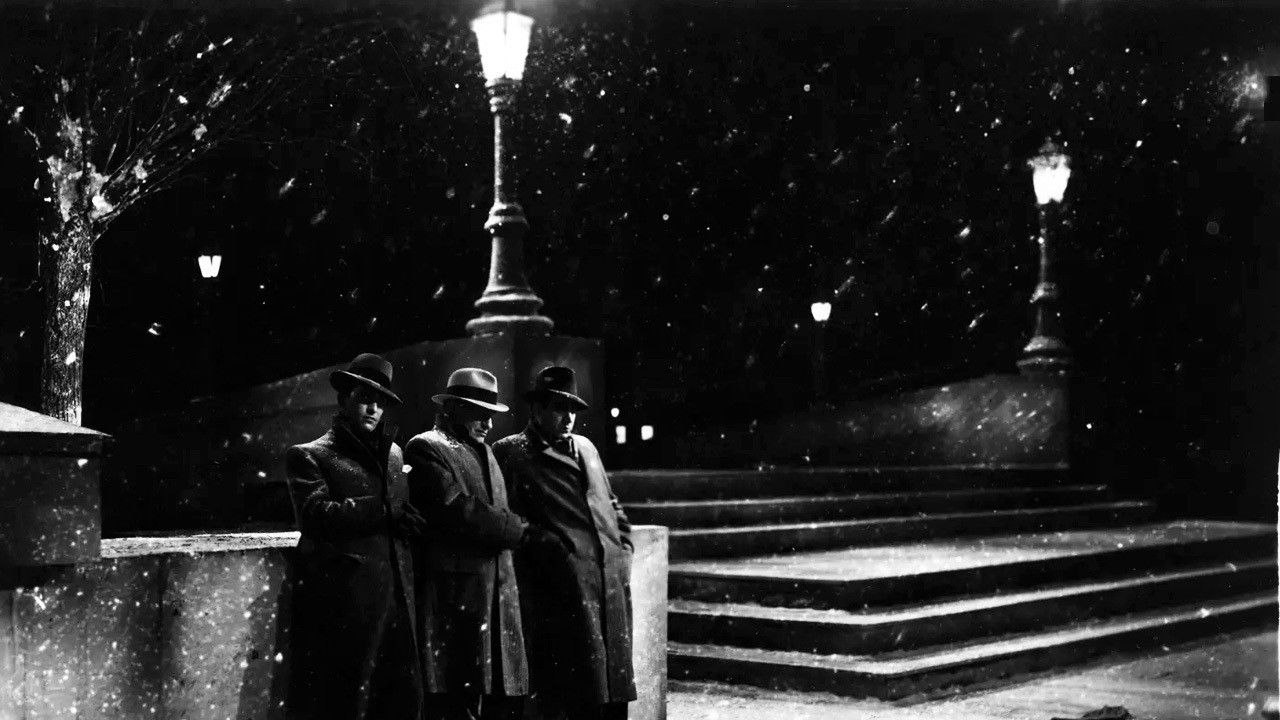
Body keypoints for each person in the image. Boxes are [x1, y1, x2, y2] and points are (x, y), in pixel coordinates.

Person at [284, 353, 426, 720]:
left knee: (402, 703)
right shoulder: (310, 456)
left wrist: (404, 522)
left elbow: (395, 517)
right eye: (365, 398)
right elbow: (315, 515)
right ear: (343, 398)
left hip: (398, 605)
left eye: (381, 402)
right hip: (347, 610)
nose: (374, 409)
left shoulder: (394, 455)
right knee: (348, 705)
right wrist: (384, 510)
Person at [493, 366, 636, 720]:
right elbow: (506, 517)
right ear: (536, 408)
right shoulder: (512, 452)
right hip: (562, 594)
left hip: (610, 587)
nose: (569, 417)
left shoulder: (586, 447)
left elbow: (610, 501)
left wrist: (624, 547)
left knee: (613, 696)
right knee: (576, 695)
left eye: (573, 409)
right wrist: (554, 550)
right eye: (559, 407)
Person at [406, 367, 548, 720]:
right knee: (458, 698)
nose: (488, 423)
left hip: (495, 599)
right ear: (452, 408)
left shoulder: (484, 451)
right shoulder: (426, 446)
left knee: (499, 695)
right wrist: (517, 529)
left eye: (490, 414)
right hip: (458, 600)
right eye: (478, 413)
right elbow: (456, 509)